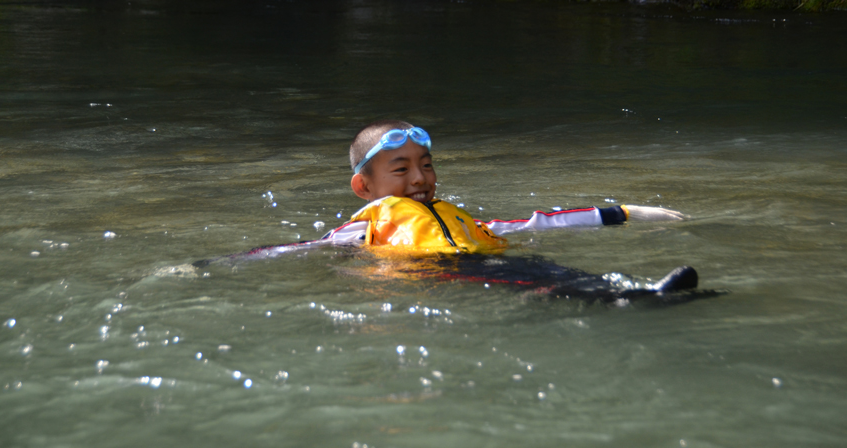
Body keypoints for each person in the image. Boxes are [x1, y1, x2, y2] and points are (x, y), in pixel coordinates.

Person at [197, 120, 703, 300]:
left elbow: (538, 222)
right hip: (443, 273)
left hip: (479, 261)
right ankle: (623, 300)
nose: (419, 178)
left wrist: (626, 211)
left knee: (548, 270)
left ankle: (629, 293)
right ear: (364, 186)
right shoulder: (366, 224)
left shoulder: (459, 218)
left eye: (426, 164)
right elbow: (300, 249)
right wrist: (212, 266)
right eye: (401, 169)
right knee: (537, 278)